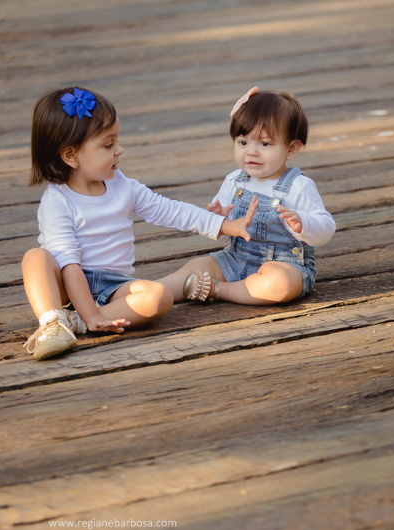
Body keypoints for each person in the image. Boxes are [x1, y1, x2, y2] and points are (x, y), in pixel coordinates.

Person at [22, 87, 257, 360]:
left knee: (158, 297)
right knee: (36, 257)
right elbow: (69, 263)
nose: (119, 150)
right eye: (108, 145)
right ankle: (52, 321)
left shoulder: (122, 186)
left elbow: (169, 210)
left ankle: (75, 324)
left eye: (116, 141)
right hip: (65, 281)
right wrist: (90, 311)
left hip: (113, 287)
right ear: (71, 156)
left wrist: (224, 226)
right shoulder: (57, 201)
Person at [158, 87, 335, 305]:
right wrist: (222, 220)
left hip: (284, 264)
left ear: (291, 149)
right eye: (243, 142)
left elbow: (326, 227)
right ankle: (154, 291)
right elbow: (224, 236)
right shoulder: (235, 181)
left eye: (264, 143)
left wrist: (303, 223)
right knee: (198, 266)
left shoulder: (298, 186)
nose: (251, 151)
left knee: (279, 283)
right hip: (235, 258)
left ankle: (220, 289)